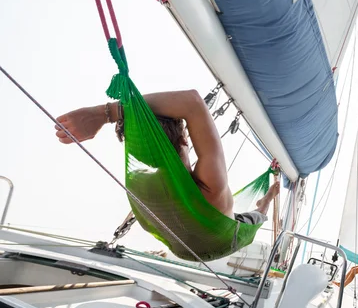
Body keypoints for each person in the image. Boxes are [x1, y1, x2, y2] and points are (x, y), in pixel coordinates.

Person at [55, 89, 280, 227]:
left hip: (190, 239)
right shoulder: (209, 185)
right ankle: (265, 203)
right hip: (229, 233)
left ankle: (264, 200)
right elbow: (192, 101)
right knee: (257, 216)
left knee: (252, 212)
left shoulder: (142, 184)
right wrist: (103, 114)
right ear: (184, 140)